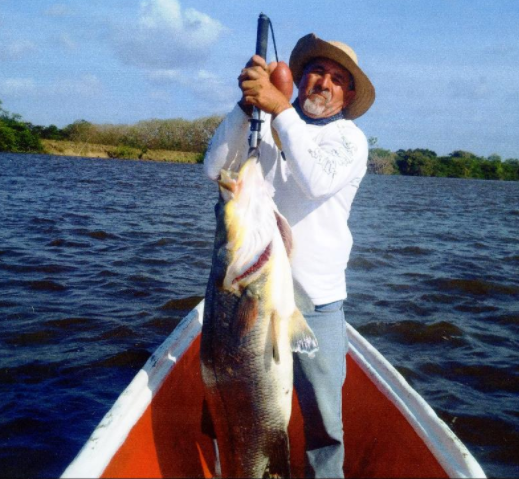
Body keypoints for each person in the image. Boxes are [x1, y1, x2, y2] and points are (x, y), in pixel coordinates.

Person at [203, 33, 375, 478]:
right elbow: (213, 168)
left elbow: (315, 179)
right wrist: (247, 107)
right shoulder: (266, 123)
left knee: (323, 425)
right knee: (240, 409)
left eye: (338, 79)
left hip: (315, 304)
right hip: (245, 295)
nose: (325, 82)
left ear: (348, 95)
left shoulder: (349, 140)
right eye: (318, 71)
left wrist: (278, 108)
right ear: (299, 78)